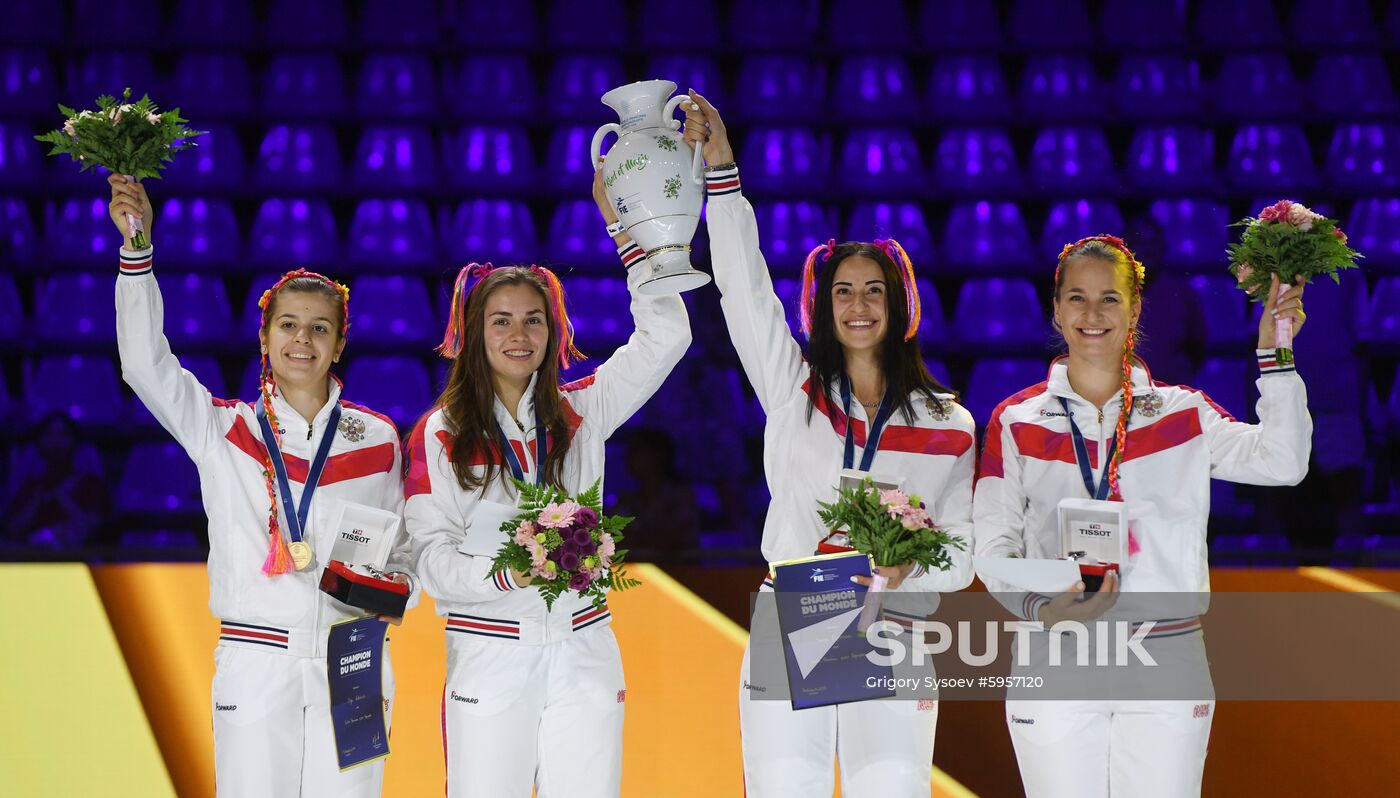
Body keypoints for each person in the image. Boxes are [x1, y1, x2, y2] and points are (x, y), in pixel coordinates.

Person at [684, 92, 976, 797]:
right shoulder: (795, 391)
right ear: (824, 305)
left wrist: (909, 574)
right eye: (843, 291)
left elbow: (963, 555)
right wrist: (721, 174)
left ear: (899, 305)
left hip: (897, 632)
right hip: (794, 618)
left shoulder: (950, 424)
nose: (858, 306)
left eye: (874, 291)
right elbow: (745, 295)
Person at [109, 174, 415, 798]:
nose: (302, 340)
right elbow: (144, 364)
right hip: (257, 654)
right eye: (289, 326)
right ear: (266, 336)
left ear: (340, 343)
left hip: (352, 656)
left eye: (320, 328)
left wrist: (390, 586)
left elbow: (400, 548)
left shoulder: (378, 438)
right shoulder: (224, 429)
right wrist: (137, 250)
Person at [972, 235, 1311, 797]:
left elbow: (1284, 463)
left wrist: (1275, 355)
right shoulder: (1015, 419)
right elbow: (994, 548)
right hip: (1055, 650)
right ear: (1055, 310)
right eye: (1077, 298)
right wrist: (1041, 606)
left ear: (1135, 309)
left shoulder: (1182, 412)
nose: (1092, 313)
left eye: (1110, 298)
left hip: (1165, 653)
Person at [404, 161, 691, 797]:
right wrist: (511, 570)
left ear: (553, 329)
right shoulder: (439, 432)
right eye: (500, 320)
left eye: (533, 319)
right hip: (490, 652)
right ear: (473, 331)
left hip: (584, 645)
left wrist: (625, 228)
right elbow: (430, 561)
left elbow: (669, 333)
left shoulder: (583, 408)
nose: (518, 334)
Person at [3, 412, 111, 547]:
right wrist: (37, 501)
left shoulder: (91, 484)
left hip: (80, 562)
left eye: (63, 435)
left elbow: (96, 530)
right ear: (39, 443)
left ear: (75, 442)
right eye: (49, 434)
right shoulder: (31, 485)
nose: (56, 442)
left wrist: (64, 498)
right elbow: (13, 530)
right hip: (35, 562)